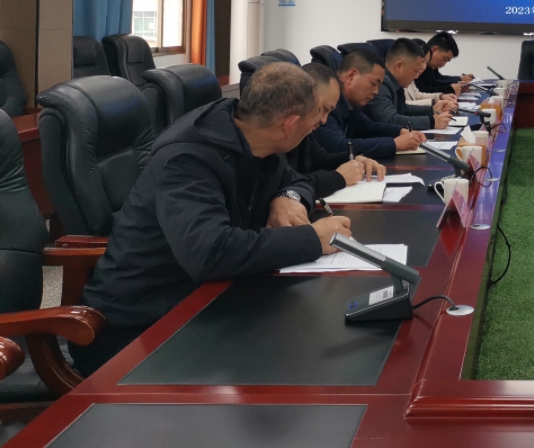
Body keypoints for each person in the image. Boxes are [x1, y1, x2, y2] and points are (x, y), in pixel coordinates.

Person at [70, 64, 354, 375]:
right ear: (290, 124)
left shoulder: (257, 135)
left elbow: (297, 180)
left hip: (210, 303)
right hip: (139, 331)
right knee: (305, 362)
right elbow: (210, 252)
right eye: (315, 116)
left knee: (308, 342)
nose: (319, 124)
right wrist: (312, 239)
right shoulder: (185, 159)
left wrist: (286, 197)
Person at [289, 62, 386, 198]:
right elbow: (288, 186)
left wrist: (354, 159)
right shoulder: (277, 142)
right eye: (323, 109)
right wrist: (338, 177)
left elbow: (321, 160)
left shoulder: (304, 135)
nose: (324, 120)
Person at [314, 47, 426, 159]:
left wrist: (400, 131)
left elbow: (369, 128)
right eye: (373, 84)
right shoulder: (326, 105)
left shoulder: (349, 103)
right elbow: (339, 146)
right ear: (351, 76)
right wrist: (394, 144)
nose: (376, 92)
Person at [367, 38, 452, 130]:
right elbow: (390, 120)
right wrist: (431, 122)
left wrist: (432, 109)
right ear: (399, 66)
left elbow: (403, 109)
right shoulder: (381, 83)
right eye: (415, 71)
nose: (416, 77)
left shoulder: (394, 82)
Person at [415, 31, 473, 95]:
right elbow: (420, 91)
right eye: (445, 59)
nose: (443, 64)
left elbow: (436, 81)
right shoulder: (417, 63)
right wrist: (450, 89)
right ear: (434, 50)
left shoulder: (430, 66)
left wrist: (458, 83)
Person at [407, 42, 459, 110]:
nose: (424, 67)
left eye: (426, 62)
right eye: (422, 61)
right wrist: (435, 102)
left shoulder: (412, 74)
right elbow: (403, 105)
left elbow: (417, 95)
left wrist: (441, 96)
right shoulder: (398, 78)